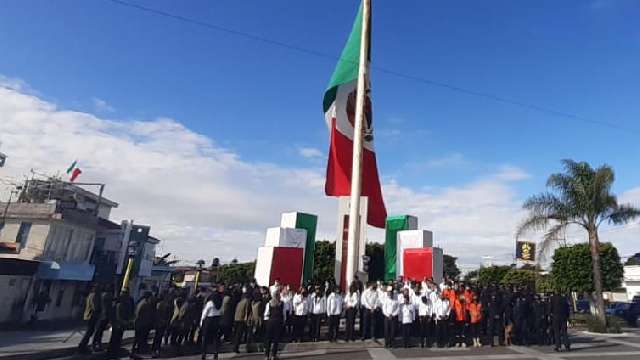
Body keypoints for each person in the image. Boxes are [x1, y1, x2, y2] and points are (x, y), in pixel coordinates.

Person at [107, 289, 134, 359]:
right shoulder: (119, 305)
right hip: (117, 325)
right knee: (114, 339)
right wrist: (125, 322)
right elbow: (118, 317)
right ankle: (111, 353)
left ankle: (116, 351)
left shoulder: (125, 304)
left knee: (118, 339)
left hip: (121, 326)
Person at [131, 291, 156, 359]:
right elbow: (138, 315)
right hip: (141, 324)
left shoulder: (146, 303)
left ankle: (136, 351)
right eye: (151, 296)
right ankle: (135, 352)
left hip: (143, 324)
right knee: (139, 339)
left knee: (139, 339)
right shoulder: (143, 304)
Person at [201, 285, 224, 360]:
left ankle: (204, 353)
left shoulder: (210, 303)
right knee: (215, 338)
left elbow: (205, 313)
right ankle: (215, 352)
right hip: (217, 320)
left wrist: (201, 322)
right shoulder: (220, 303)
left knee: (205, 338)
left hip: (209, 320)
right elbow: (221, 312)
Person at [78, 284, 103, 354]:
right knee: (89, 332)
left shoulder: (91, 295)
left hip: (89, 315)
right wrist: (99, 309)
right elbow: (95, 307)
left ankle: (83, 346)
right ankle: (82, 346)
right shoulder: (94, 295)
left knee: (89, 331)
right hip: (91, 316)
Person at [263, 291, 286, 360]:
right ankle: (273, 355)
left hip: (270, 322)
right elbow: (284, 314)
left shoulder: (269, 303)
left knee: (268, 339)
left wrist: (266, 321)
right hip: (278, 322)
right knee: (276, 339)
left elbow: (266, 314)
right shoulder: (281, 303)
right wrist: (284, 321)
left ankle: (266, 356)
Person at [152, 292, 173, 358]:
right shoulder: (160, 304)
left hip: (163, 323)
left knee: (159, 337)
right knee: (157, 337)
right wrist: (162, 321)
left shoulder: (167, 305)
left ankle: (157, 349)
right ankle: (155, 349)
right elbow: (157, 314)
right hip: (160, 323)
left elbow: (169, 314)